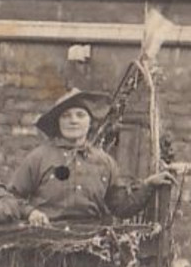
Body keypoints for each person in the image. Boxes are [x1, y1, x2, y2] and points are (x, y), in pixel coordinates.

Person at [9, 89, 172, 225]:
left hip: (91, 244)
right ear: (58, 122)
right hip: (45, 243)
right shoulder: (39, 158)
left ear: (90, 122)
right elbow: (11, 197)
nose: (73, 121)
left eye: (80, 115)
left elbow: (120, 206)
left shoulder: (104, 162)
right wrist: (31, 213)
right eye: (66, 116)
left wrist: (148, 185)